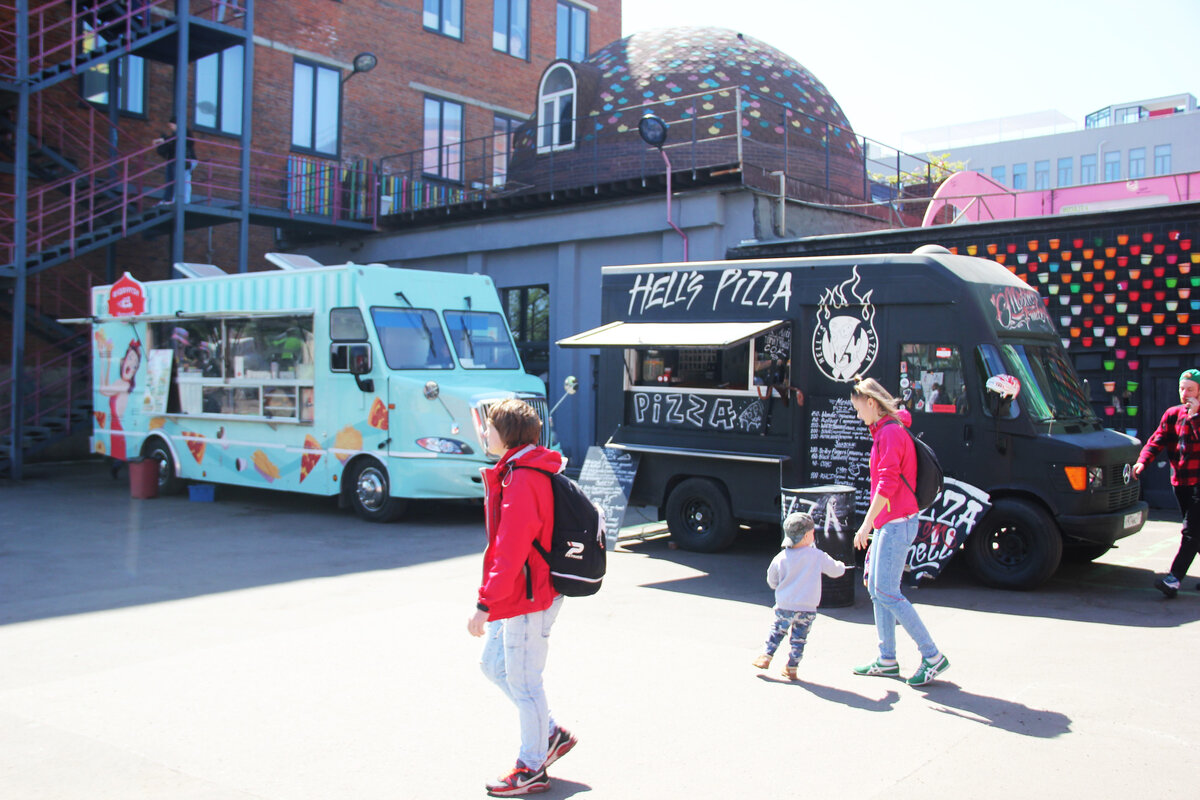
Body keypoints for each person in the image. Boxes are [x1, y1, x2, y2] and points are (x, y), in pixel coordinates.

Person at [467, 398, 576, 796]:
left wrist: (485, 604)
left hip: (529, 595)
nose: (485, 433)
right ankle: (550, 734)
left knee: (525, 683)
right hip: (522, 592)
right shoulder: (519, 469)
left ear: (506, 434)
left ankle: (531, 768)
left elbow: (511, 549)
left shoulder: (524, 477)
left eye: (490, 427)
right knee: (495, 666)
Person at [849, 376, 950, 687]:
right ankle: (887, 660)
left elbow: (887, 483)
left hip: (895, 523)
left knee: (887, 592)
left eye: (858, 409)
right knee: (878, 589)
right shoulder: (889, 429)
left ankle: (932, 656)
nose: (858, 416)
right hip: (892, 523)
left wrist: (867, 524)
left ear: (871, 403)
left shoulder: (889, 433)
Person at [752, 512, 846, 680]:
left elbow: (772, 580)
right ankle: (792, 667)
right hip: (807, 607)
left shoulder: (781, 558)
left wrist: (778, 587)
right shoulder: (817, 556)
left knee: (777, 631)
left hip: (785, 604)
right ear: (806, 536)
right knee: (799, 639)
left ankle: (766, 655)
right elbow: (835, 570)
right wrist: (842, 566)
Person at [1133, 368, 1200, 598]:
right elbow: (1157, 440)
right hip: (1180, 481)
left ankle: (1174, 579)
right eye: (1182, 388)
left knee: (1191, 531)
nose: (1185, 393)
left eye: (1190, 389)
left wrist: (1195, 417)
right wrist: (1142, 461)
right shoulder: (1173, 413)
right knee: (1197, 531)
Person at [97, 339, 142, 461]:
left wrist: (104, 358)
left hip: (117, 430)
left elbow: (103, 389)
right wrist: (107, 359)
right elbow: (106, 387)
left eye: (135, 366)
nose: (131, 367)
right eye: (130, 358)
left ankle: (116, 467)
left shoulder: (123, 384)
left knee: (118, 457)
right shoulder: (121, 383)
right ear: (124, 360)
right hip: (115, 429)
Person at [153, 118, 197, 203]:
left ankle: (183, 200)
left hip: (188, 159)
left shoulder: (184, 132)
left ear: (176, 124)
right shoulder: (177, 134)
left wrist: (162, 140)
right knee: (181, 180)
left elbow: (180, 140)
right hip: (184, 160)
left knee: (184, 180)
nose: (171, 127)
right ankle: (177, 200)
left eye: (171, 125)